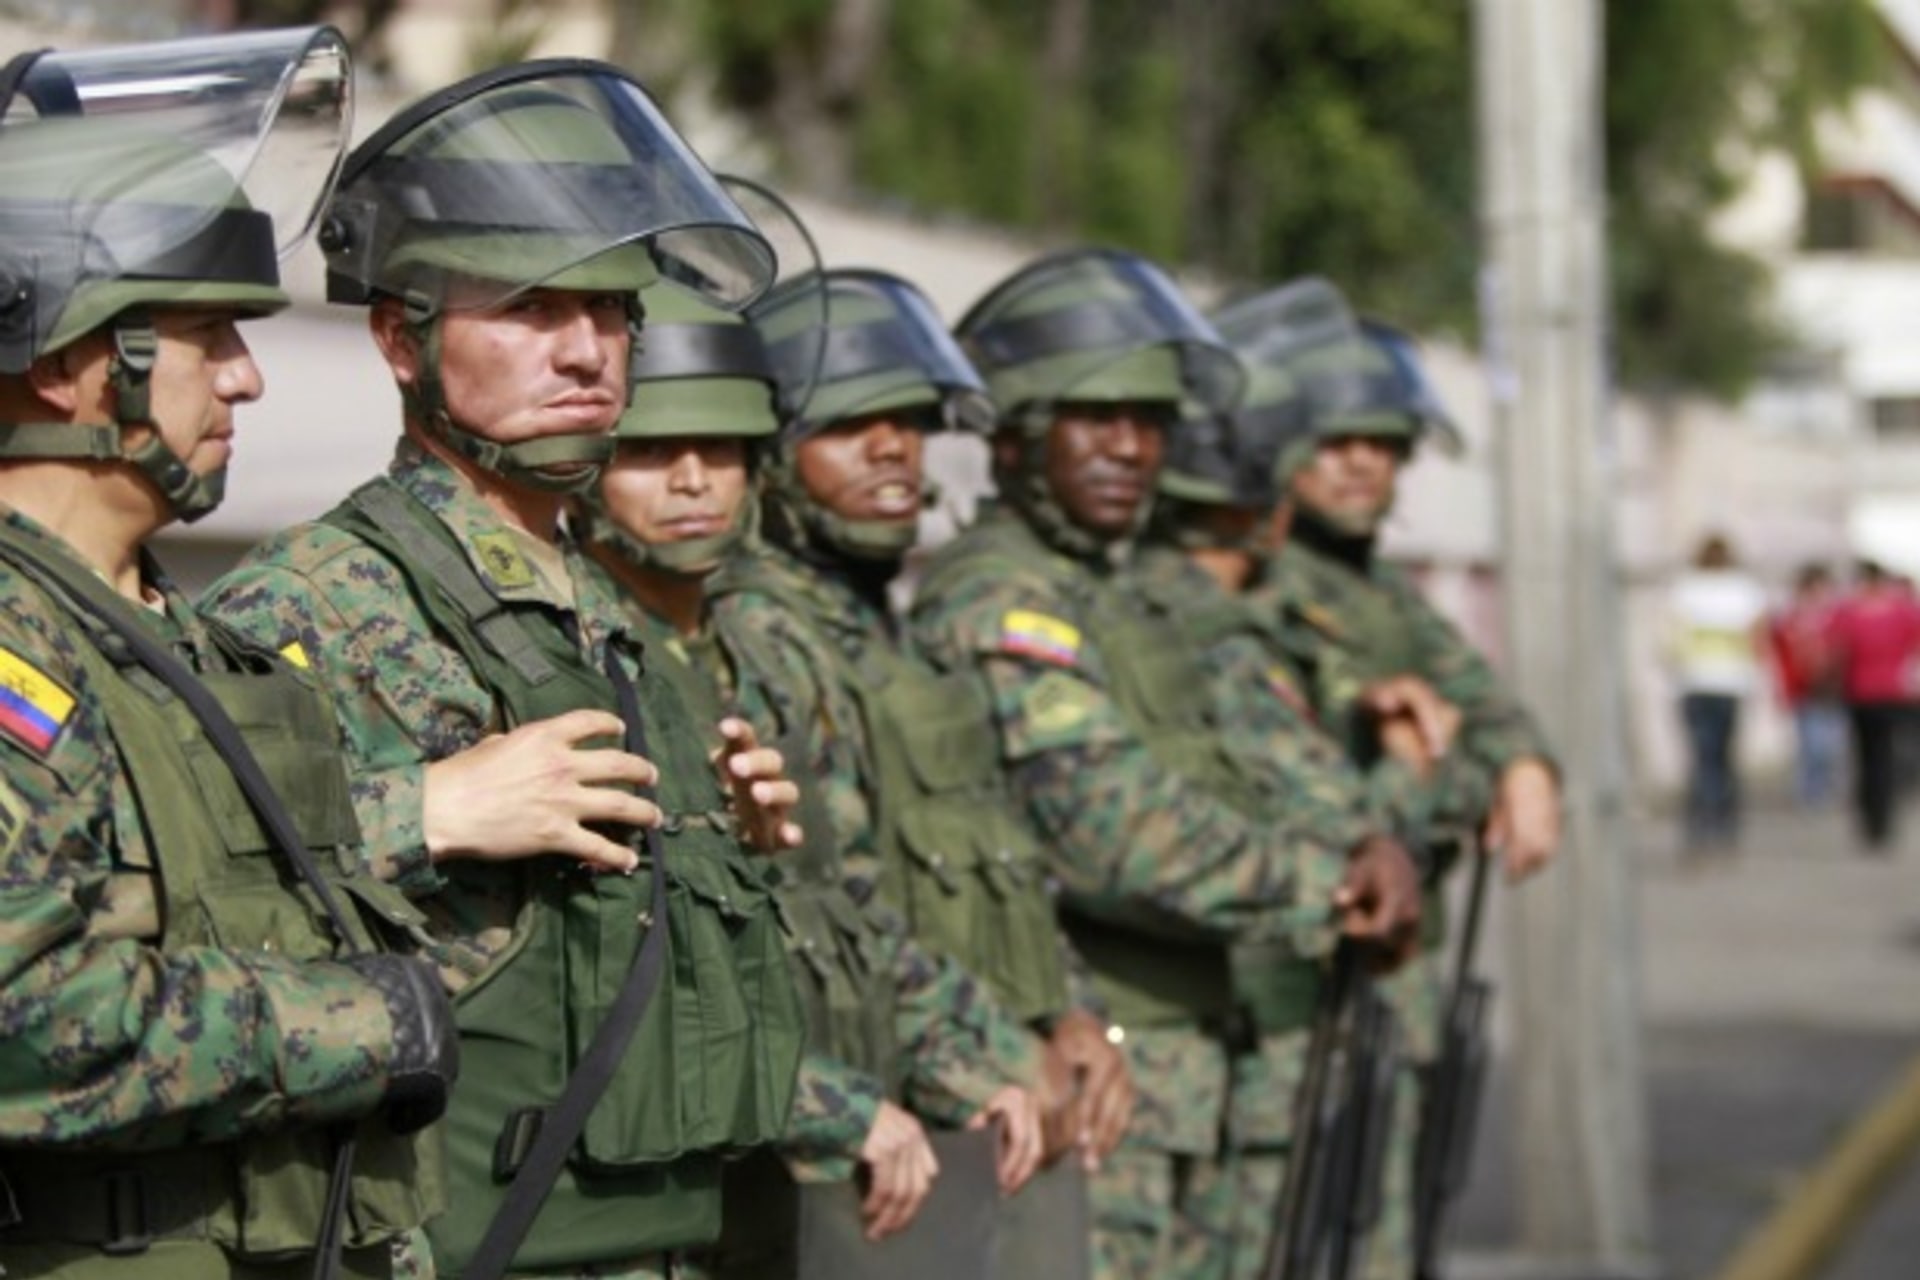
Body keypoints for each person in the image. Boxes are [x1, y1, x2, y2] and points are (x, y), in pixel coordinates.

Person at [201, 63, 808, 1279]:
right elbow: (183, 905)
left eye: (613, 312)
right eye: (533, 308)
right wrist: (426, 811)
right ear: (400, 338)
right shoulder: (304, 603)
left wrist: (724, 835)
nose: (589, 351)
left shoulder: (601, 613)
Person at [0, 29, 457, 1278]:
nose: (250, 378)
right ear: (60, 360)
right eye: (211, 334)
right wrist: (350, 1024)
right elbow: (18, 1020)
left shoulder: (168, 634)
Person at [908, 248, 1421, 1280]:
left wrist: (1369, 836)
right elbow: (1112, 828)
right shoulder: (999, 598)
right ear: (1015, 440)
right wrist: (1330, 886)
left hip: (1194, 1063)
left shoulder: (1137, 594)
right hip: (1103, 1079)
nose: (1129, 447)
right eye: (1094, 420)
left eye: (1147, 423)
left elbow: (1260, 753)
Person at [572, 276, 1044, 1277]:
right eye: (652, 453)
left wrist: (981, 1055)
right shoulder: (581, 671)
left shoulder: (752, 661)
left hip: (789, 1197)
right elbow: (614, 985)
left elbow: (848, 905)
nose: (694, 479)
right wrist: (834, 1104)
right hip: (652, 1205)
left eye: (723, 451)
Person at [1128, 280, 1453, 1280]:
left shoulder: (1224, 612)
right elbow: (1341, 824)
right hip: (1256, 1033)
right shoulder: (1204, 627)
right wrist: (1403, 779)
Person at [1236, 302, 1556, 1280]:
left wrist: (1525, 762)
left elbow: (1479, 704)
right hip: (1300, 992)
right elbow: (1363, 774)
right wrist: (1447, 768)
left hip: (1393, 992)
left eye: (1383, 443)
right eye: (1336, 442)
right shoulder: (1262, 588)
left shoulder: (1376, 591)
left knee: (1388, 1234)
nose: (1363, 464)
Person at [1662, 532, 1768, 855]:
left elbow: (1671, 638)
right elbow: (1756, 640)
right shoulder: (1745, 590)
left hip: (1694, 683)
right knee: (1724, 759)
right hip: (1730, 684)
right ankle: (1724, 826)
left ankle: (1700, 827)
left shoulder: (1685, 588)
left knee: (1701, 759)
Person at [1826, 559, 1920, 850]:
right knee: (1875, 757)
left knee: (1875, 758)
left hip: (1879, 693)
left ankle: (1876, 819)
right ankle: (1876, 818)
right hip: (1869, 693)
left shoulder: (1855, 612)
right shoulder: (1897, 612)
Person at [1767, 563, 1844, 808]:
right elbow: (1780, 651)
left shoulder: (1837, 616)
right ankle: (1811, 790)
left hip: (1832, 687)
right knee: (1811, 742)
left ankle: (1824, 785)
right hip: (1804, 687)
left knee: (1830, 743)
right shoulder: (1790, 617)